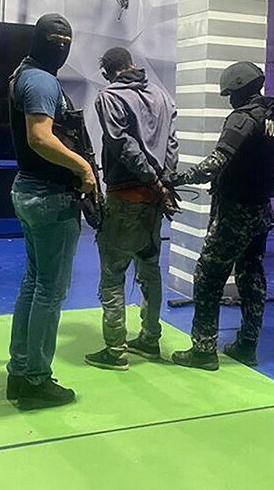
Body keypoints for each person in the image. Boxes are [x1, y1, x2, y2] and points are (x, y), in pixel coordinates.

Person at [169, 62, 274, 371]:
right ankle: (247, 346)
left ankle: (203, 350)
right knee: (252, 276)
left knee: (208, 276)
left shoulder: (242, 118)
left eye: (229, 95)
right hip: (261, 210)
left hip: (235, 212)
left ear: (238, 90)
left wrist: (179, 178)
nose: (229, 101)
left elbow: (217, 162)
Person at [6, 13, 97, 410]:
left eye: (66, 41)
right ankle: (36, 380)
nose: (62, 48)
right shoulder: (41, 81)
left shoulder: (23, 75)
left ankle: (19, 371)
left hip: (30, 191)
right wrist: (83, 167)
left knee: (34, 284)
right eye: (57, 41)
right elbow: (40, 138)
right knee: (50, 290)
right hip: (49, 196)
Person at [84, 47, 179, 371]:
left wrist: (151, 179)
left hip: (126, 197)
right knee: (150, 269)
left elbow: (121, 143)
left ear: (107, 73)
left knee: (113, 274)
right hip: (155, 202)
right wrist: (163, 183)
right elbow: (172, 145)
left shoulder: (109, 97)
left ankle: (115, 350)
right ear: (132, 65)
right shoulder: (163, 97)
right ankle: (150, 339)